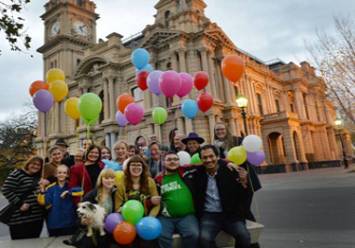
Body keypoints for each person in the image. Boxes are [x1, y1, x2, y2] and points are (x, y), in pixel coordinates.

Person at [190, 145, 252, 248]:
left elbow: (244, 195)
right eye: (204, 157)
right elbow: (183, 167)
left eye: (211, 156)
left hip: (231, 215)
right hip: (209, 215)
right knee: (204, 239)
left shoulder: (230, 170)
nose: (208, 160)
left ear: (218, 157)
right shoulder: (198, 173)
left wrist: (244, 181)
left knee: (244, 237)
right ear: (201, 160)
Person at [155, 152, 199, 248]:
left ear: (179, 161)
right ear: (163, 162)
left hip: (187, 216)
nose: (172, 162)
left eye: (175, 159)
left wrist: (227, 162)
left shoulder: (187, 172)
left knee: (193, 234)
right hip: (165, 217)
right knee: (161, 235)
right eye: (169, 159)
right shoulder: (158, 179)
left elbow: (207, 162)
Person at [115, 155, 160, 247]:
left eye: (139, 165)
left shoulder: (149, 181)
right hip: (128, 222)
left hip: (146, 222)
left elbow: (157, 203)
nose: (136, 167)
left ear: (143, 168)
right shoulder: (121, 183)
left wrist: (150, 218)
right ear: (128, 168)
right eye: (133, 165)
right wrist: (127, 212)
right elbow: (117, 207)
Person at [2, 156, 45, 240]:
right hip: (20, 218)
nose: (36, 166)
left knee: (34, 243)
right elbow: (6, 189)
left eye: (38, 165)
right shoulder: (17, 173)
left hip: (36, 218)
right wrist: (20, 204)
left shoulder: (39, 177)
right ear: (28, 164)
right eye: (33, 163)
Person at [38, 165, 79, 237]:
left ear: (67, 175)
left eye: (64, 173)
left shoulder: (71, 185)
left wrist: (68, 192)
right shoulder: (50, 187)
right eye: (59, 172)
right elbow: (43, 202)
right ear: (55, 174)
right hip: (55, 222)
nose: (61, 174)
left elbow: (80, 191)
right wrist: (42, 190)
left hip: (70, 221)